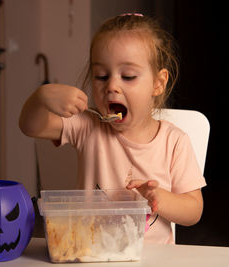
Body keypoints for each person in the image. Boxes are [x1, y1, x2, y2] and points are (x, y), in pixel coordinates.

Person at [19, 13, 206, 244]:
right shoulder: (87, 125)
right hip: (91, 252)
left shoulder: (174, 141)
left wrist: (161, 199)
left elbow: (194, 210)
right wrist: (41, 97)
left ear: (158, 83)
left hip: (154, 259)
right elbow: (30, 126)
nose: (112, 86)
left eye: (128, 76)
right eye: (101, 76)